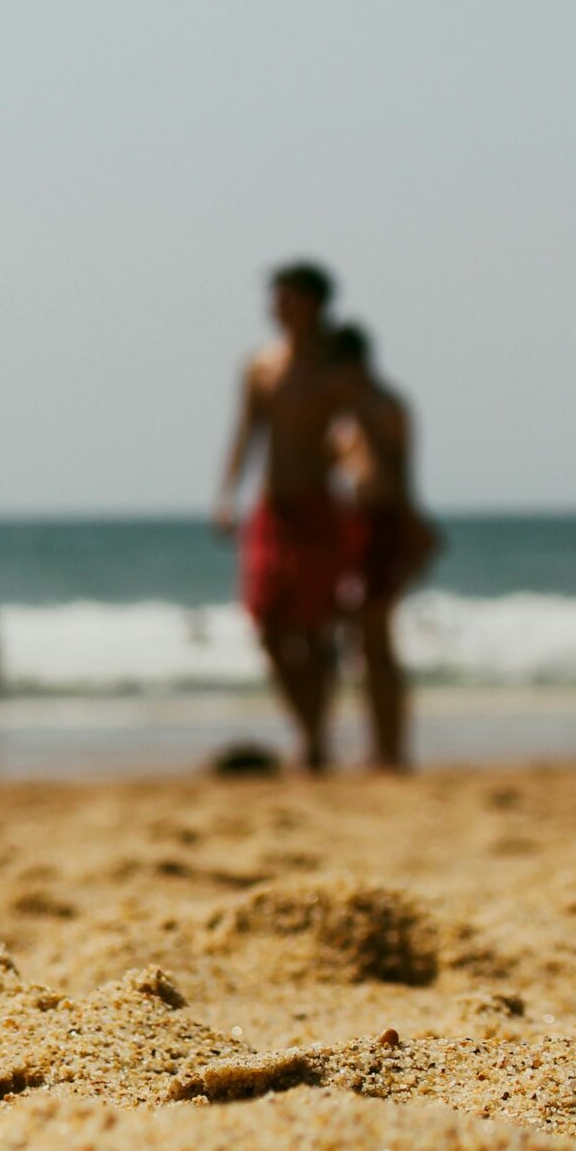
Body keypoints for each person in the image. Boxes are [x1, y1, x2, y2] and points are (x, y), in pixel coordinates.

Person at [215, 261, 353, 772]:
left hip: (320, 505)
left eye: (288, 298)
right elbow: (245, 434)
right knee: (269, 623)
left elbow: (356, 430)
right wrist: (227, 496)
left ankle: (316, 741)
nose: (277, 308)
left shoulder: (337, 367)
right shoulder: (261, 367)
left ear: (314, 303)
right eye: (276, 298)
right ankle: (308, 728)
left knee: (316, 630)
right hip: (272, 508)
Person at [328, 323, 437, 772]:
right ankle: (382, 745)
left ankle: (391, 748)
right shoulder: (349, 413)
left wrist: (412, 530)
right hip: (359, 525)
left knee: (377, 639)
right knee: (364, 641)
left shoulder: (380, 406)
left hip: (383, 523)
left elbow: (399, 475)